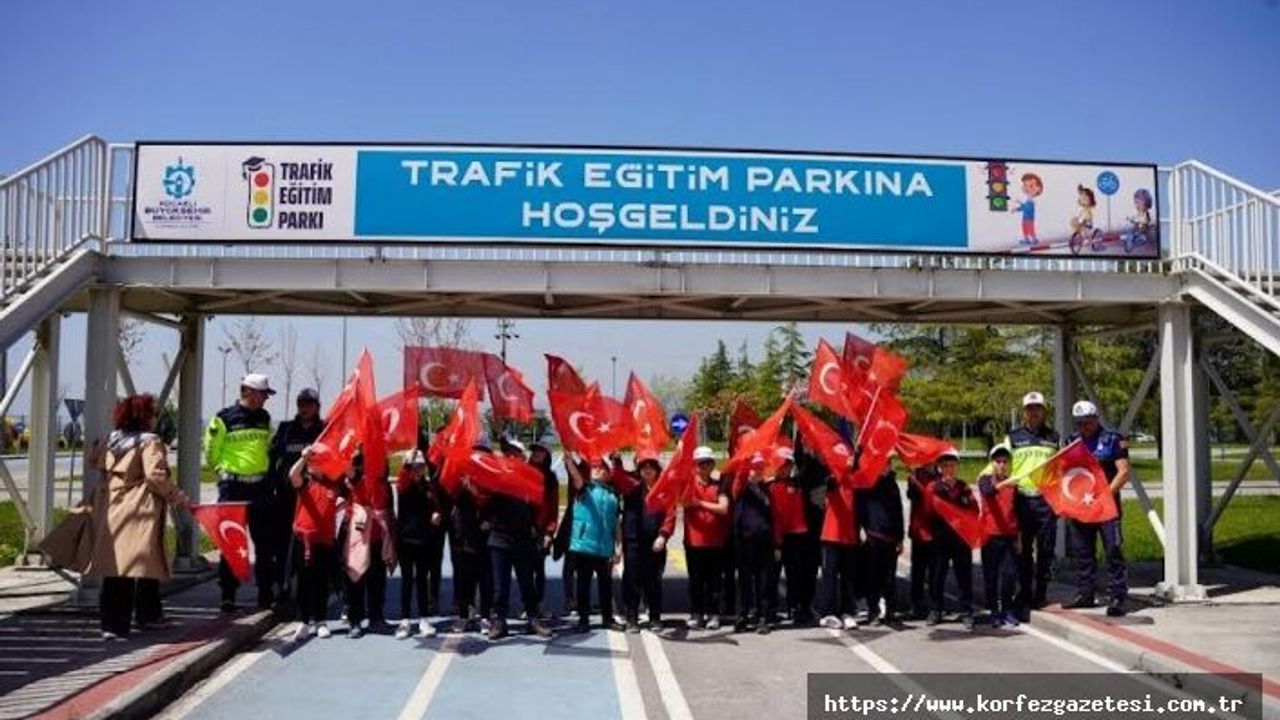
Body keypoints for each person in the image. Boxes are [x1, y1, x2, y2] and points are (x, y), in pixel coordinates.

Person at [87, 394, 190, 640]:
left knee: (115, 568)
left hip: (113, 507)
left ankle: (111, 623)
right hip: (139, 510)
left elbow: (95, 462)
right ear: (144, 416)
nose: (156, 418)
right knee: (143, 564)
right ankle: (146, 616)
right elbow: (156, 476)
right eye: (153, 413)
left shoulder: (111, 439)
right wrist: (176, 496)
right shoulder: (150, 441)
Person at [204, 373, 275, 612]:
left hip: (261, 489)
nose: (265, 399)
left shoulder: (265, 418)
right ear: (247, 392)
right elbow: (211, 451)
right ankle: (228, 594)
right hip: (233, 488)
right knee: (232, 542)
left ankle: (265, 592)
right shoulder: (224, 418)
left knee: (265, 544)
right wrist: (222, 472)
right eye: (262, 394)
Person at [1066, 400, 1131, 617]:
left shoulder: (1113, 439)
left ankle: (1118, 596)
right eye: (1079, 423)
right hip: (1082, 505)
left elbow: (1123, 472)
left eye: (1087, 422)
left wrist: (1104, 494)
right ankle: (1086, 594)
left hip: (1106, 506)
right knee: (1083, 551)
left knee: (1113, 549)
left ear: (1096, 419)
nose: (1083, 427)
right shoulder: (1072, 441)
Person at [483, 439, 552, 639]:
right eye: (508, 453)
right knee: (499, 586)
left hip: (523, 538)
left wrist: (540, 530)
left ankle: (533, 619)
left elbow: (542, 506)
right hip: (499, 538)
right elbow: (485, 501)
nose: (512, 457)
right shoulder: (496, 477)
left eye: (516, 453)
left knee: (527, 583)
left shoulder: (531, 477)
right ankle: (499, 622)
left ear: (523, 457)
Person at [1005, 391, 1061, 621]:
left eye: (1038, 408)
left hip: (1046, 501)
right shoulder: (1013, 437)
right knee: (1023, 551)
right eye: (1030, 409)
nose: (1034, 412)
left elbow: (1062, 467)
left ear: (1043, 411)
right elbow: (1002, 467)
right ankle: (1024, 593)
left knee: (1046, 551)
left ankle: (1041, 593)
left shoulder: (1054, 437)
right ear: (1024, 412)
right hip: (1022, 500)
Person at [267, 388, 324, 607]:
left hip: (314, 500)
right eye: (301, 403)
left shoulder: (324, 430)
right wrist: (271, 487)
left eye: (309, 403)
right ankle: (282, 588)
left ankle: (314, 589)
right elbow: (272, 459)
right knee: (282, 546)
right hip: (286, 498)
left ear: (317, 406)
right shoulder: (286, 430)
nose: (305, 407)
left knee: (314, 546)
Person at [289, 445, 344, 641]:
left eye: (317, 462)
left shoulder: (333, 486)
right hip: (305, 541)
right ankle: (304, 621)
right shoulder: (305, 483)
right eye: (312, 463)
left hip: (325, 540)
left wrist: (337, 508)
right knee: (304, 582)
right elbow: (292, 474)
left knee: (321, 582)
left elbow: (347, 497)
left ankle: (321, 621)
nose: (314, 466)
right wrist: (303, 458)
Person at [619, 452, 675, 633]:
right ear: (639, 470)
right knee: (632, 580)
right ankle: (631, 617)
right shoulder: (632, 488)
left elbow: (670, 514)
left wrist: (663, 535)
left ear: (657, 470)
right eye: (644, 467)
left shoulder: (665, 490)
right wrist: (615, 458)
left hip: (655, 543)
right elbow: (618, 476)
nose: (648, 470)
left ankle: (655, 617)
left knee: (654, 581)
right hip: (634, 542)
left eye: (651, 467)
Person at [565, 456, 622, 632]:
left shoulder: (613, 496)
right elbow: (575, 475)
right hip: (584, 546)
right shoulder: (584, 488)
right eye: (595, 467)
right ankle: (583, 619)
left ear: (608, 473)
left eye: (602, 468)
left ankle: (607, 618)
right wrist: (568, 458)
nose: (598, 470)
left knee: (606, 585)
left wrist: (618, 547)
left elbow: (616, 523)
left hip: (605, 548)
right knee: (583, 584)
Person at [393, 450, 445, 639]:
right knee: (407, 579)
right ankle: (405, 620)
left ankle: (424, 618)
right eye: (415, 466)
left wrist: (436, 515)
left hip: (424, 539)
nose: (418, 469)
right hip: (405, 539)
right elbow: (402, 478)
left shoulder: (429, 486)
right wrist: (408, 460)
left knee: (423, 579)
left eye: (421, 466)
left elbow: (436, 507)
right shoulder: (404, 484)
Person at [342, 450, 394, 638]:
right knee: (355, 579)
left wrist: (392, 543)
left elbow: (390, 513)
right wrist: (353, 452)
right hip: (358, 540)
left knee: (377, 581)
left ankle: (376, 619)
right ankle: (355, 621)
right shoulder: (357, 479)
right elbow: (347, 468)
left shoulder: (386, 486)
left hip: (379, 539)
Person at [928, 448, 976, 630]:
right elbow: (928, 511)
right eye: (946, 465)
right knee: (937, 575)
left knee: (964, 576)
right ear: (940, 468)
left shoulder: (964, 487)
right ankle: (935, 609)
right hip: (941, 539)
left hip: (961, 540)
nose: (949, 469)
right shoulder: (934, 488)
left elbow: (974, 510)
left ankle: (967, 611)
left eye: (952, 465)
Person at [684, 446, 730, 630]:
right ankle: (696, 614)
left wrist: (700, 503)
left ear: (712, 465)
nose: (703, 467)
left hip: (715, 542)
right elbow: (683, 501)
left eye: (706, 463)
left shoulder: (719, 486)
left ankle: (713, 614)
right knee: (695, 581)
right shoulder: (689, 485)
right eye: (699, 464)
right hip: (693, 541)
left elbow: (724, 508)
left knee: (714, 581)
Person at [768, 446, 816, 625]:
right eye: (783, 464)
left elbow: (805, 463)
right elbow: (772, 517)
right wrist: (776, 543)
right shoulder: (770, 487)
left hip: (797, 536)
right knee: (773, 575)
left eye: (789, 464)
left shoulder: (798, 484)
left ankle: (794, 607)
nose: (787, 468)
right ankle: (771, 609)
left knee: (795, 575)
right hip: (778, 538)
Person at [732, 452, 775, 634]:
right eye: (754, 468)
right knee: (744, 579)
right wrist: (746, 460)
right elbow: (739, 480)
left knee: (763, 580)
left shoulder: (767, 489)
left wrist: (777, 541)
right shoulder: (741, 487)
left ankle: (762, 616)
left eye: (760, 468)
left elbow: (775, 517)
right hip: (744, 540)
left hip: (764, 541)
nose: (757, 471)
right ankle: (743, 615)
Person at [978, 444, 1020, 627]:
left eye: (1005, 461)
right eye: (998, 461)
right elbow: (987, 492)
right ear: (992, 463)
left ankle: (1007, 609)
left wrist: (1019, 537)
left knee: (1009, 575)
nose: (1002, 465)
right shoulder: (985, 480)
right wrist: (1002, 483)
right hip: (990, 534)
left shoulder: (1013, 484)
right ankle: (994, 610)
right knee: (991, 575)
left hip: (1009, 535)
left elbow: (1017, 511)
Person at [857, 466, 904, 625]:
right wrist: (861, 528)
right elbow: (860, 508)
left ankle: (890, 610)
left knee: (890, 577)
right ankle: (873, 610)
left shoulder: (893, 484)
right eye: (883, 463)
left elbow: (898, 512)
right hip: (873, 536)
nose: (886, 466)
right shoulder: (867, 484)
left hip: (891, 538)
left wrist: (900, 538)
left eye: (888, 463)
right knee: (873, 577)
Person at [449, 475, 492, 633]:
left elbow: (492, 506)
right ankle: (463, 615)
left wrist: (489, 522)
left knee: (485, 579)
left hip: (484, 541)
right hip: (464, 541)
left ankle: (485, 616)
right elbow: (454, 506)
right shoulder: (460, 490)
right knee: (464, 580)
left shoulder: (488, 486)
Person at [818, 469, 860, 631]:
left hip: (849, 535)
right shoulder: (831, 479)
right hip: (831, 534)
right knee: (830, 575)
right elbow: (824, 493)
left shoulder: (856, 481)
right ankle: (828, 612)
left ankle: (847, 612)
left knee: (849, 577)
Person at [528, 443, 560, 618]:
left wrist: (549, 532)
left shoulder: (551, 478)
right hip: (523, 529)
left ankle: (539, 603)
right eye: (534, 451)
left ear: (546, 455)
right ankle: (528, 606)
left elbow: (554, 508)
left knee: (538, 570)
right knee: (524, 570)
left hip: (541, 531)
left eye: (540, 451)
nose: (536, 454)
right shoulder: (523, 472)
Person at [906, 465, 938, 619]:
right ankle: (916, 603)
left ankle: (934, 605)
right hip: (919, 531)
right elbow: (912, 495)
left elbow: (935, 500)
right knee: (918, 571)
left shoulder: (940, 475)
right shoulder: (916, 473)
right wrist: (913, 481)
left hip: (935, 533)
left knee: (935, 572)